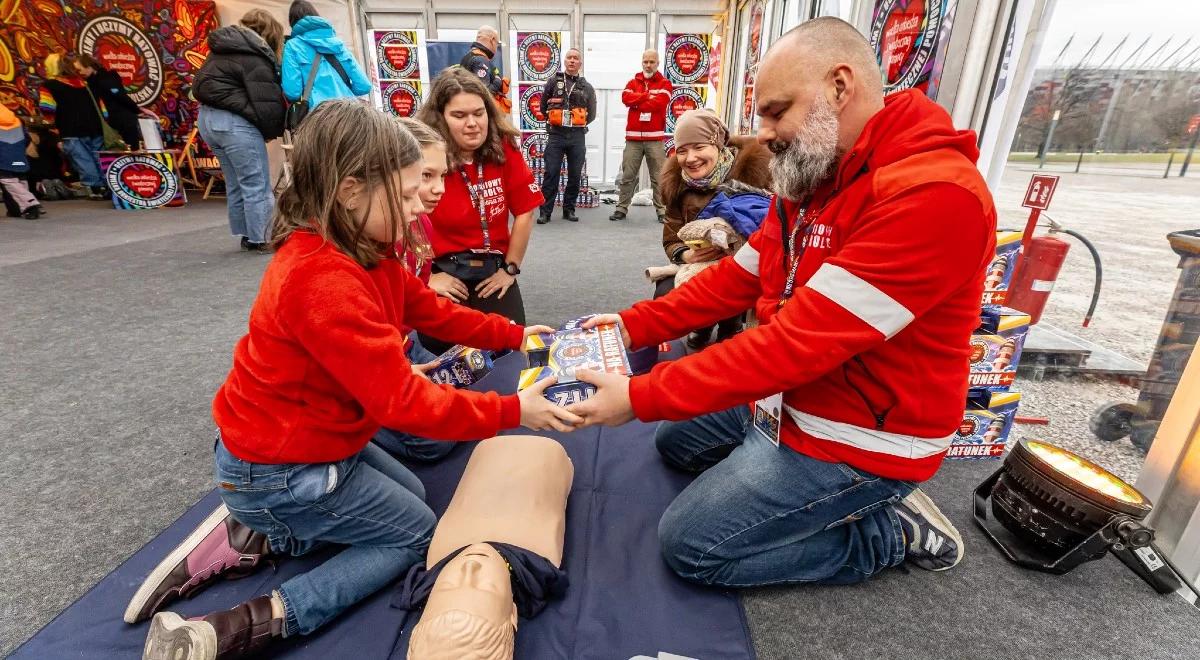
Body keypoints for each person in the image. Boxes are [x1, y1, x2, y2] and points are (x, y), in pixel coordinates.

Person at [129, 101, 579, 660]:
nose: (420, 209)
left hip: (312, 444)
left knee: (413, 493)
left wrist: (515, 337)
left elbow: (431, 312)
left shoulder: (365, 252)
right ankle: (250, 621)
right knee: (415, 534)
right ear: (349, 190)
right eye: (409, 194)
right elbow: (404, 402)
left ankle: (256, 533)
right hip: (281, 466)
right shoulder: (322, 279)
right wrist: (514, 411)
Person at [566, 18, 997, 588]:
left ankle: (885, 532)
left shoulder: (934, 194)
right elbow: (733, 282)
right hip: (788, 398)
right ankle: (784, 487)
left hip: (864, 434)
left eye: (775, 111)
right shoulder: (815, 178)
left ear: (840, 87)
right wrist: (628, 326)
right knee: (675, 439)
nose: (762, 133)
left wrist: (644, 393)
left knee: (691, 548)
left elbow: (796, 345)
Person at [398, 435, 572, 658]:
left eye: (447, 586)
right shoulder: (542, 553)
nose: (470, 566)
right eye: (487, 588)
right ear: (512, 613)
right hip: (548, 453)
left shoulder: (439, 551)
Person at [415, 68, 543, 355]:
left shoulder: (504, 148)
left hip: (492, 267)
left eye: (478, 113)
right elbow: (407, 217)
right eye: (459, 116)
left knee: (510, 346)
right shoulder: (426, 155)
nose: (472, 123)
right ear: (440, 118)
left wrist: (510, 269)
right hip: (441, 268)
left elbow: (525, 211)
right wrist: (426, 279)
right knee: (441, 350)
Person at [372, 117, 455, 462]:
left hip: (405, 341)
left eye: (442, 176)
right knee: (435, 440)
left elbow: (416, 298)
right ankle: (365, 425)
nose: (439, 189)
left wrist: (512, 334)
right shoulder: (377, 235)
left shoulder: (420, 223)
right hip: (377, 354)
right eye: (426, 177)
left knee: (460, 393)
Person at [657, 108, 772, 349]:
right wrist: (686, 254)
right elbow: (671, 237)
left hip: (745, 266)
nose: (690, 158)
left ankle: (731, 326)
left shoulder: (754, 177)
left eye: (699, 147)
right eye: (682, 150)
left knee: (729, 285)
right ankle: (702, 324)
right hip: (698, 264)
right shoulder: (677, 186)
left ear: (718, 145)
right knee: (664, 292)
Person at [193, 10, 288, 252]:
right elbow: (267, 102)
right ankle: (263, 237)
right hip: (235, 124)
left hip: (208, 120)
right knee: (256, 182)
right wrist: (270, 129)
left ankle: (247, 233)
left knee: (236, 182)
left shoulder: (220, 50)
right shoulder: (255, 57)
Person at [610, 50, 672, 223]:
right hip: (633, 139)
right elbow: (625, 98)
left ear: (658, 63)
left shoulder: (665, 83)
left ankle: (662, 211)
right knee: (628, 175)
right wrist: (646, 96)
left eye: (652, 62)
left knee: (658, 176)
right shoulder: (632, 81)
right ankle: (621, 208)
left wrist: (637, 101)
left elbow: (660, 102)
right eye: (645, 61)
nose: (648, 65)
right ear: (642, 62)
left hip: (655, 139)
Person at [536, 48, 596, 224]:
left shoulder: (587, 87)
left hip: (577, 136)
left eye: (576, 58)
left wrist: (576, 123)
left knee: (575, 174)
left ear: (580, 63)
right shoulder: (553, 82)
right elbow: (542, 107)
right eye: (569, 57)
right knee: (551, 173)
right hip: (556, 135)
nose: (572, 61)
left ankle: (569, 210)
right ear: (565, 61)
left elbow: (591, 114)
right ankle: (545, 212)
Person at [281, 0, 372, 111]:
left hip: (318, 116)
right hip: (348, 114)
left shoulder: (292, 46)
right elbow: (364, 86)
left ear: (292, 22)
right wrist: (343, 90)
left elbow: (292, 92)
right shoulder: (339, 44)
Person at [40, 53, 107, 200]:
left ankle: (95, 188)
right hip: (96, 127)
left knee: (83, 159)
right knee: (100, 157)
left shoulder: (49, 85)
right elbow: (102, 108)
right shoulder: (85, 83)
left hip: (70, 128)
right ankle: (108, 186)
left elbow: (47, 109)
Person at [74, 54, 147, 150]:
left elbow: (120, 95)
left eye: (80, 69)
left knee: (130, 154)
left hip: (123, 122)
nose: (79, 73)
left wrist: (137, 110)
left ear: (90, 66)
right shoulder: (90, 82)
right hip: (111, 124)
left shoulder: (105, 78)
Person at [1, 104, 43, 219]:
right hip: (19, 159)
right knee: (20, 181)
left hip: (4, 160)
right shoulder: (16, 121)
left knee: (9, 182)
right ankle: (15, 209)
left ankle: (31, 205)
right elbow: (27, 139)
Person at [459, 26, 510, 113]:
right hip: (480, 112)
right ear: (492, 40)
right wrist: (497, 82)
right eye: (497, 44)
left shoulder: (469, 56)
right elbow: (484, 92)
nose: (496, 48)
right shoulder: (480, 59)